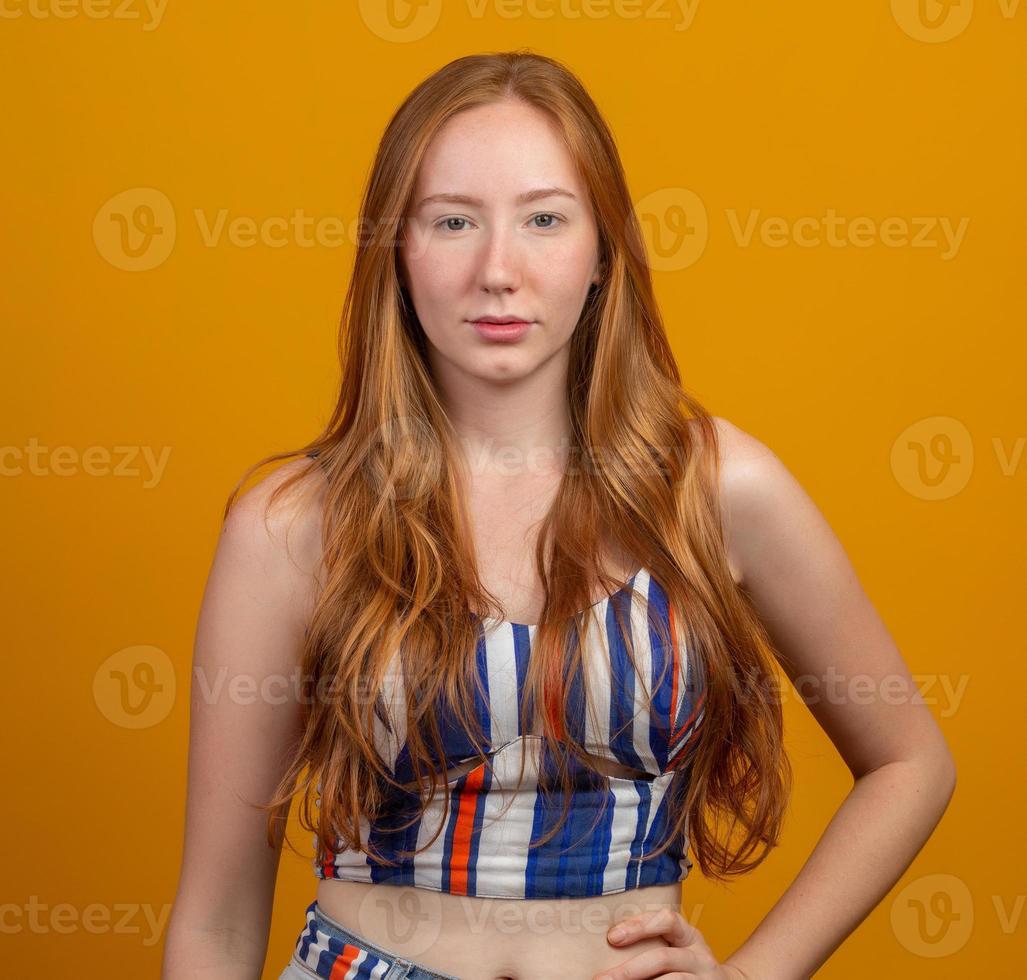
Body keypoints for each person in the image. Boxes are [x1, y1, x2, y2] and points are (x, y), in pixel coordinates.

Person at [162, 51, 957, 980]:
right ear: (396, 250)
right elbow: (216, 921)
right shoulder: (292, 523)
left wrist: (753, 974)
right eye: (452, 221)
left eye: (544, 219)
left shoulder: (714, 487)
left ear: (601, 253)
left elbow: (910, 761)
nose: (498, 270)